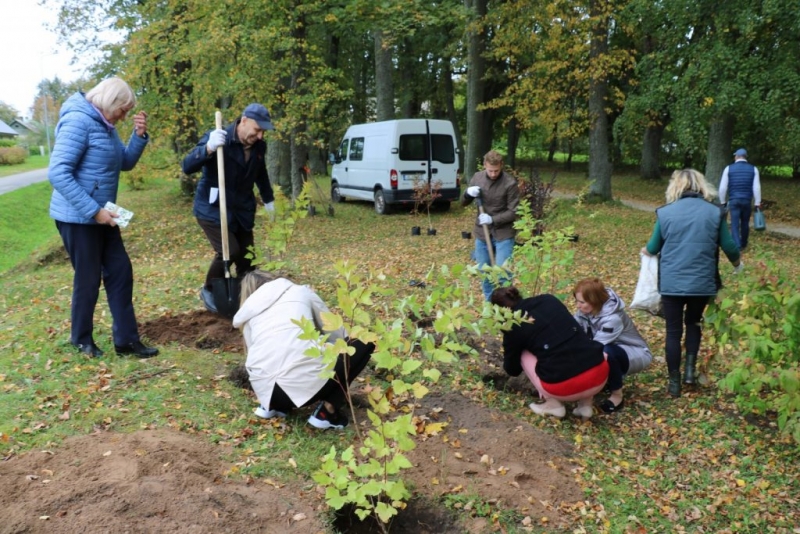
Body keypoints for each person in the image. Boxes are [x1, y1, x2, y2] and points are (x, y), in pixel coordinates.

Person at [48, 77, 158, 359]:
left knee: (120, 271)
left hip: (105, 213)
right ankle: (81, 339)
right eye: (123, 110)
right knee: (88, 277)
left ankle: (126, 341)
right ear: (110, 102)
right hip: (78, 216)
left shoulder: (106, 126)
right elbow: (58, 173)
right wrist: (94, 211)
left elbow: (125, 163)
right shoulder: (79, 121)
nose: (123, 116)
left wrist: (139, 136)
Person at [232, 270, 375, 430]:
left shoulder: (248, 313)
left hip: (268, 395)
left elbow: (253, 352)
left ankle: (272, 408)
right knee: (364, 341)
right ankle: (327, 411)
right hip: (303, 386)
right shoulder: (300, 291)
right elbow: (336, 333)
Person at [643, 169, 741, 398]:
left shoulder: (665, 213)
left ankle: (674, 382)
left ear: (675, 186)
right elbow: (728, 245)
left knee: (673, 331)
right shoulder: (715, 212)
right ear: (701, 185)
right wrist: (738, 265)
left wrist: (645, 251)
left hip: (671, 283)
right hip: (702, 282)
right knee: (694, 323)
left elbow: (653, 247)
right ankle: (689, 372)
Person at [181, 104, 277, 313]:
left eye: (263, 132)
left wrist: (269, 199)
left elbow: (261, 174)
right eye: (257, 130)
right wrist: (208, 148)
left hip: (242, 210)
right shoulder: (218, 138)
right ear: (243, 121)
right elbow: (187, 166)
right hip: (213, 208)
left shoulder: (259, 147)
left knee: (247, 259)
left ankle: (246, 301)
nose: (260, 136)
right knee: (229, 251)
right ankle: (209, 289)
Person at [491, 286, 609, 420]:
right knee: (574, 342)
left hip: (563, 387)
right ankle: (585, 405)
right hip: (600, 374)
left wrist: (516, 343)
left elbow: (512, 369)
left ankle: (554, 405)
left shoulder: (512, 325)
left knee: (523, 353)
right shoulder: (549, 300)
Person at [573, 278, 653, 413]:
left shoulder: (612, 318)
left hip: (635, 353)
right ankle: (604, 383)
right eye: (577, 301)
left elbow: (595, 347)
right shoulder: (585, 311)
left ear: (594, 301)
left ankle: (617, 396)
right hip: (612, 347)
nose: (578, 306)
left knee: (604, 352)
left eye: (582, 302)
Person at [461, 150, 521, 301]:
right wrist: (468, 193)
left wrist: (492, 219)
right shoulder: (477, 178)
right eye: (490, 170)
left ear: (501, 165)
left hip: (504, 234)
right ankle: (490, 306)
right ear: (485, 165)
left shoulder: (510, 183)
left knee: (503, 275)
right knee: (485, 273)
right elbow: (463, 202)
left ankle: (508, 308)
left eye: (496, 171)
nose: (493, 174)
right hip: (482, 234)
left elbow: (514, 212)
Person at [718, 148, 762, 250]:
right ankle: (744, 243)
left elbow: (723, 187)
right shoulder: (754, 169)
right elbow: (756, 187)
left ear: (736, 157)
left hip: (734, 200)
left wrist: (722, 201)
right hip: (747, 200)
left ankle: (736, 245)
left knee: (734, 223)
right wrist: (757, 202)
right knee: (745, 222)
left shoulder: (728, 168)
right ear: (745, 157)